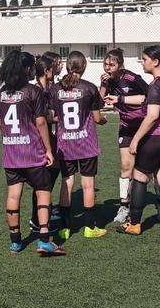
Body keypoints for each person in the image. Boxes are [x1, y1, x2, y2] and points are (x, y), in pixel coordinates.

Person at [0, 50, 63, 256]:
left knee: (13, 194)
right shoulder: (33, 91)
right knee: (43, 191)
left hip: (11, 153)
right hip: (32, 152)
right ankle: (44, 240)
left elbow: (1, 123)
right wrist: (48, 150)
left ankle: (15, 242)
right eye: (32, 66)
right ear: (27, 69)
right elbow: (41, 122)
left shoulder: (2, 93)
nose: (34, 70)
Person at [122, 45, 160, 239]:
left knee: (140, 177)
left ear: (156, 62)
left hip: (157, 137)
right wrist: (120, 98)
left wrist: (136, 140)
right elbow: (147, 99)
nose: (142, 62)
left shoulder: (156, 84)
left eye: (145, 59)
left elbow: (152, 116)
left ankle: (134, 224)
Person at [49, 51, 108, 240]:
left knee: (67, 182)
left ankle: (64, 228)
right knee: (88, 183)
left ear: (67, 66)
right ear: (83, 67)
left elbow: (52, 116)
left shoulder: (55, 89)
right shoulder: (89, 88)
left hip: (65, 143)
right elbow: (97, 118)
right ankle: (90, 227)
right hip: (86, 143)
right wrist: (104, 120)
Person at [100, 48, 149, 225]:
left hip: (144, 126)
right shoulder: (108, 81)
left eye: (112, 65)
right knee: (126, 165)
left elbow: (149, 96)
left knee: (149, 167)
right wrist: (103, 85)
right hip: (126, 127)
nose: (108, 68)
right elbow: (99, 102)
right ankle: (124, 206)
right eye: (106, 64)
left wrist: (123, 100)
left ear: (120, 65)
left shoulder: (132, 78)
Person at [34, 52, 64, 234]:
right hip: (39, 140)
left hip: (50, 138)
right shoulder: (38, 90)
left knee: (50, 176)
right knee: (42, 181)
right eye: (58, 64)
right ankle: (36, 219)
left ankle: (44, 213)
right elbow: (44, 117)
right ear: (47, 69)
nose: (61, 66)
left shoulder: (50, 87)